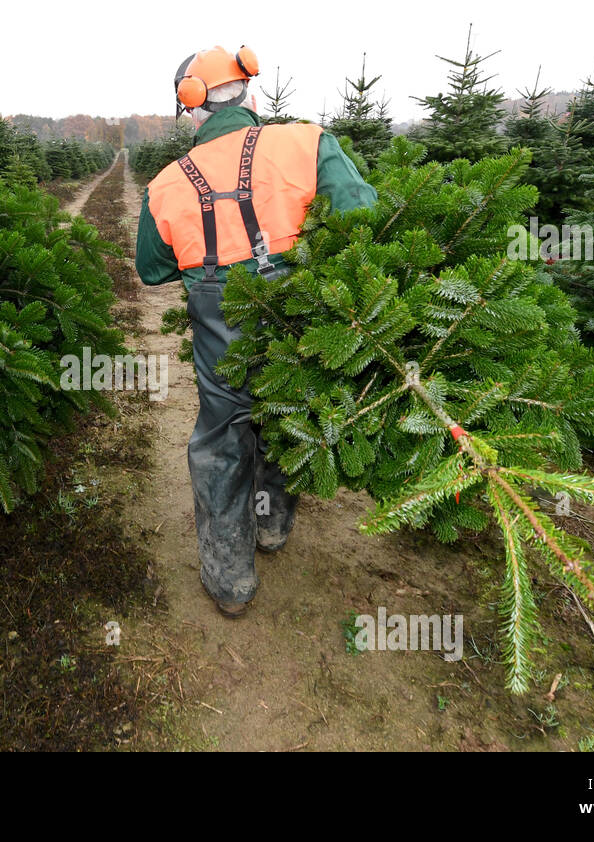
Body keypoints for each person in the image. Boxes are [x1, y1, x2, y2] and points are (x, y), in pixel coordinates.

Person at [135, 45, 378, 618]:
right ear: (248, 91)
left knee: (223, 436)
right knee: (286, 413)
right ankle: (271, 525)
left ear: (191, 106)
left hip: (221, 324)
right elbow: (360, 216)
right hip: (300, 312)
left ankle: (230, 579)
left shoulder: (167, 183)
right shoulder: (309, 142)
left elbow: (151, 270)